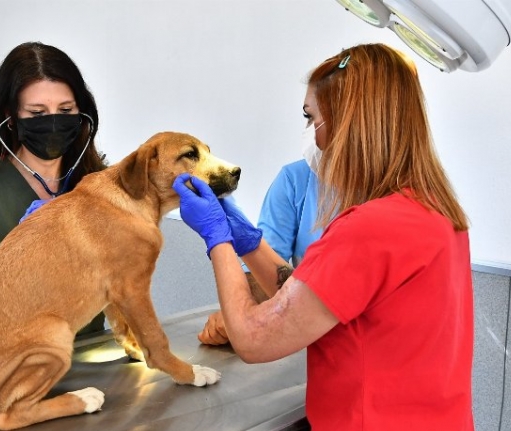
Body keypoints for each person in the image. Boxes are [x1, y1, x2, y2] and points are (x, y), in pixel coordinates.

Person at [174, 43, 474, 430]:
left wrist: (218, 240)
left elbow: (252, 337)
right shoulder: (434, 210)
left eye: (310, 117)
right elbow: (307, 298)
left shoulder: (369, 228)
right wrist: (249, 242)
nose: (309, 135)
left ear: (349, 122)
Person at [0, 42, 109, 333]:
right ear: (10, 118)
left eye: (65, 110)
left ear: (81, 113)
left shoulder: (99, 185)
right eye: (37, 113)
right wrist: (23, 267)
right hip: (14, 362)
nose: (53, 122)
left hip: (90, 355)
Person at [198, 157, 323, 345]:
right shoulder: (297, 179)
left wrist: (242, 319)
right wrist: (241, 313)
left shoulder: (375, 208)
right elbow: (269, 277)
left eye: (318, 124)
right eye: (310, 124)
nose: (314, 131)